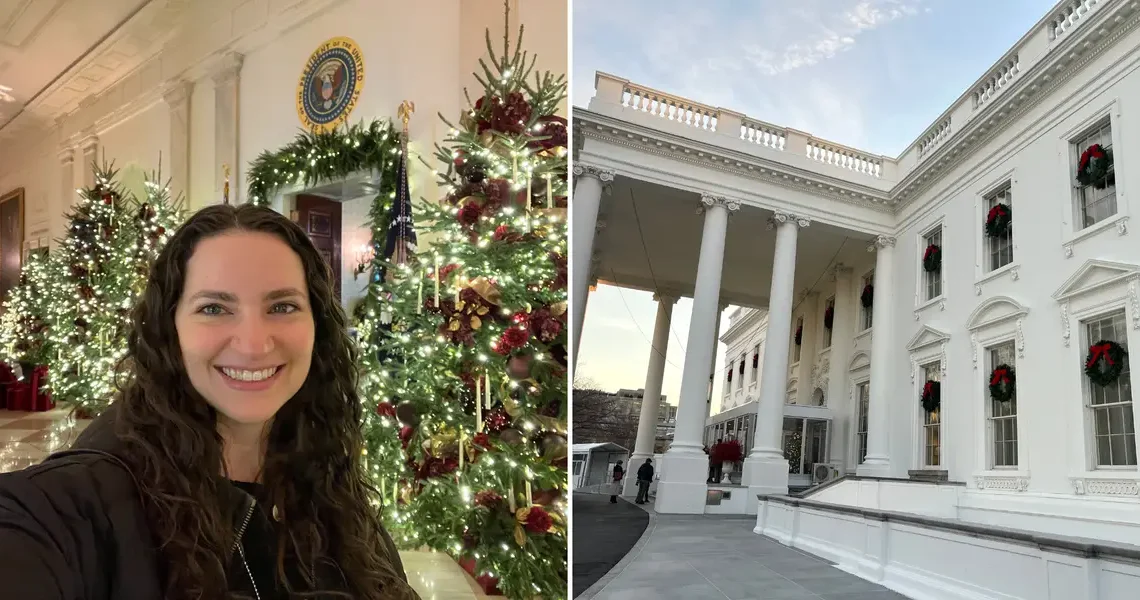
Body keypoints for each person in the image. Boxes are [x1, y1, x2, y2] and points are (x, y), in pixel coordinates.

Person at [0, 204, 419, 599]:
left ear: (318, 326)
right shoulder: (81, 502)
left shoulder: (323, 466)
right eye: (215, 308)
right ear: (170, 326)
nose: (254, 344)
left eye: (283, 305)